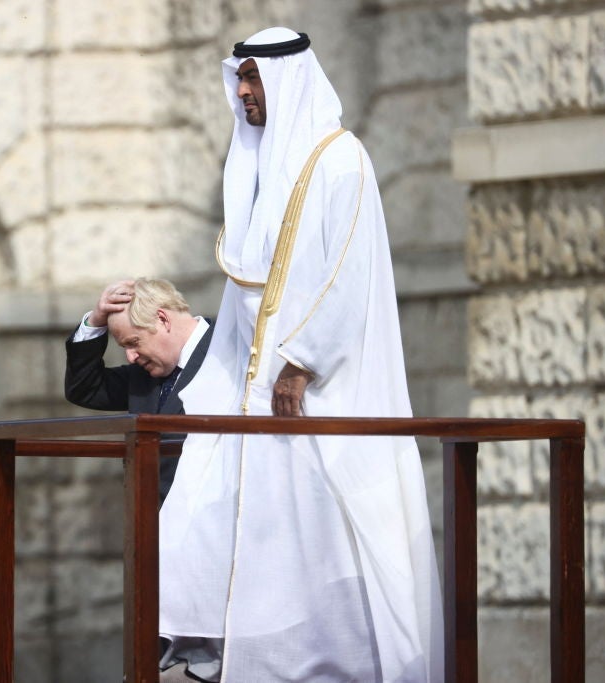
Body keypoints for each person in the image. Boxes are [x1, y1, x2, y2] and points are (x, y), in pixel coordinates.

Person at [157, 28, 443, 682]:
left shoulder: (341, 160)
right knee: (256, 542)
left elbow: (348, 270)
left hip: (320, 388)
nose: (243, 92)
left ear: (287, 81)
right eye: (240, 78)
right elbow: (245, 293)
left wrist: (303, 360)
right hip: (257, 399)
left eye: (253, 78)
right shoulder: (259, 170)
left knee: (333, 537)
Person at [64, 277, 214, 504]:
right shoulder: (144, 374)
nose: (131, 357)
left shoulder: (229, 349)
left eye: (134, 342)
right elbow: (84, 389)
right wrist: (95, 321)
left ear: (162, 319)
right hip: (148, 517)